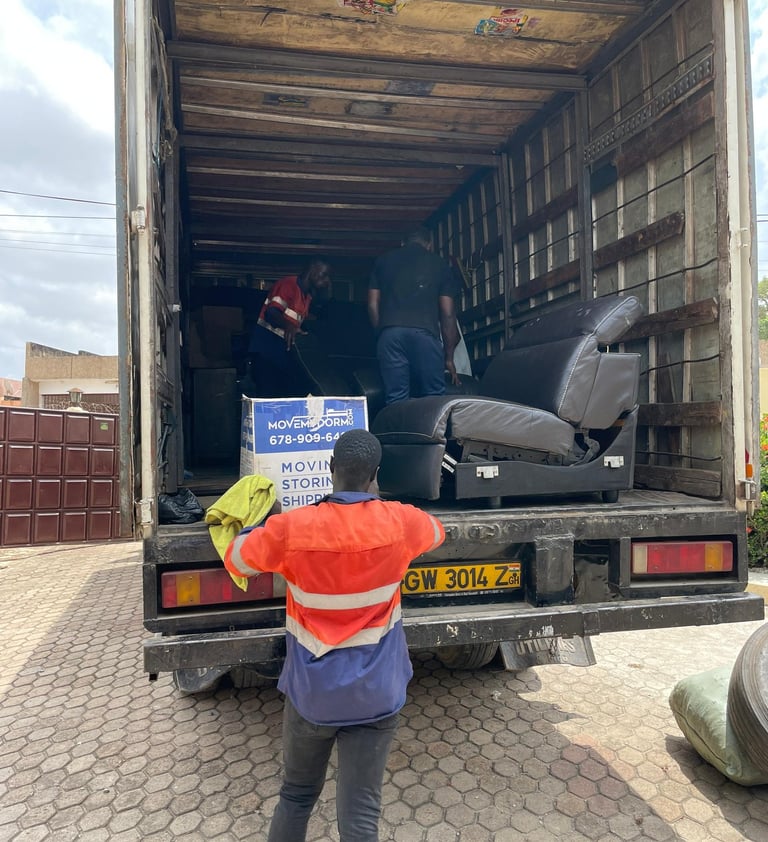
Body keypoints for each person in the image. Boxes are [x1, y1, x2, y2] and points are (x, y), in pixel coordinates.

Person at [224, 429, 445, 842]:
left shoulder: (291, 528)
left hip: (313, 697)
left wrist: (255, 524)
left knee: (296, 796)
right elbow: (436, 531)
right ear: (375, 475)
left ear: (330, 471)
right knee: (361, 813)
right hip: (378, 695)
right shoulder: (401, 522)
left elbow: (237, 559)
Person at [368, 227, 461, 404]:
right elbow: (448, 313)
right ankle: (430, 432)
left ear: (403, 243)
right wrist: (448, 357)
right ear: (429, 245)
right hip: (425, 334)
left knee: (396, 399)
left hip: (390, 334)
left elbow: (372, 303)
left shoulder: (383, 261)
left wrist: (382, 332)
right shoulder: (439, 264)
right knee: (433, 398)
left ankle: (398, 432)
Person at [245, 258, 331, 397]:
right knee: (267, 397)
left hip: (281, 354)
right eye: (324, 274)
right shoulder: (288, 284)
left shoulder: (307, 297)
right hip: (267, 351)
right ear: (313, 269)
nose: (326, 280)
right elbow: (271, 313)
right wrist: (289, 326)